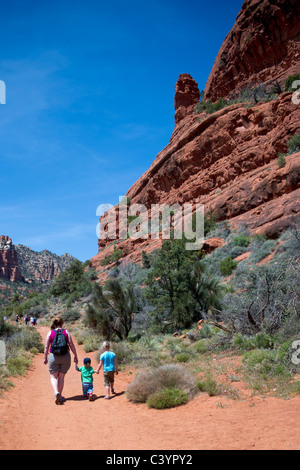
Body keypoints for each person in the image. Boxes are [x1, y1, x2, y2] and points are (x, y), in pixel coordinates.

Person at [44, 317, 78, 405]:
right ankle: (60, 394)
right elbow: (71, 344)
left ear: (54, 323)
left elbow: (46, 347)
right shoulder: (66, 332)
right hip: (65, 356)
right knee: (61, 377)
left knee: (53, 376)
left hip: (54, 356)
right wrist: (75, 355)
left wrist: (45, 358)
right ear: (62, 323)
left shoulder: (50, 333)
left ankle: (56, 393)